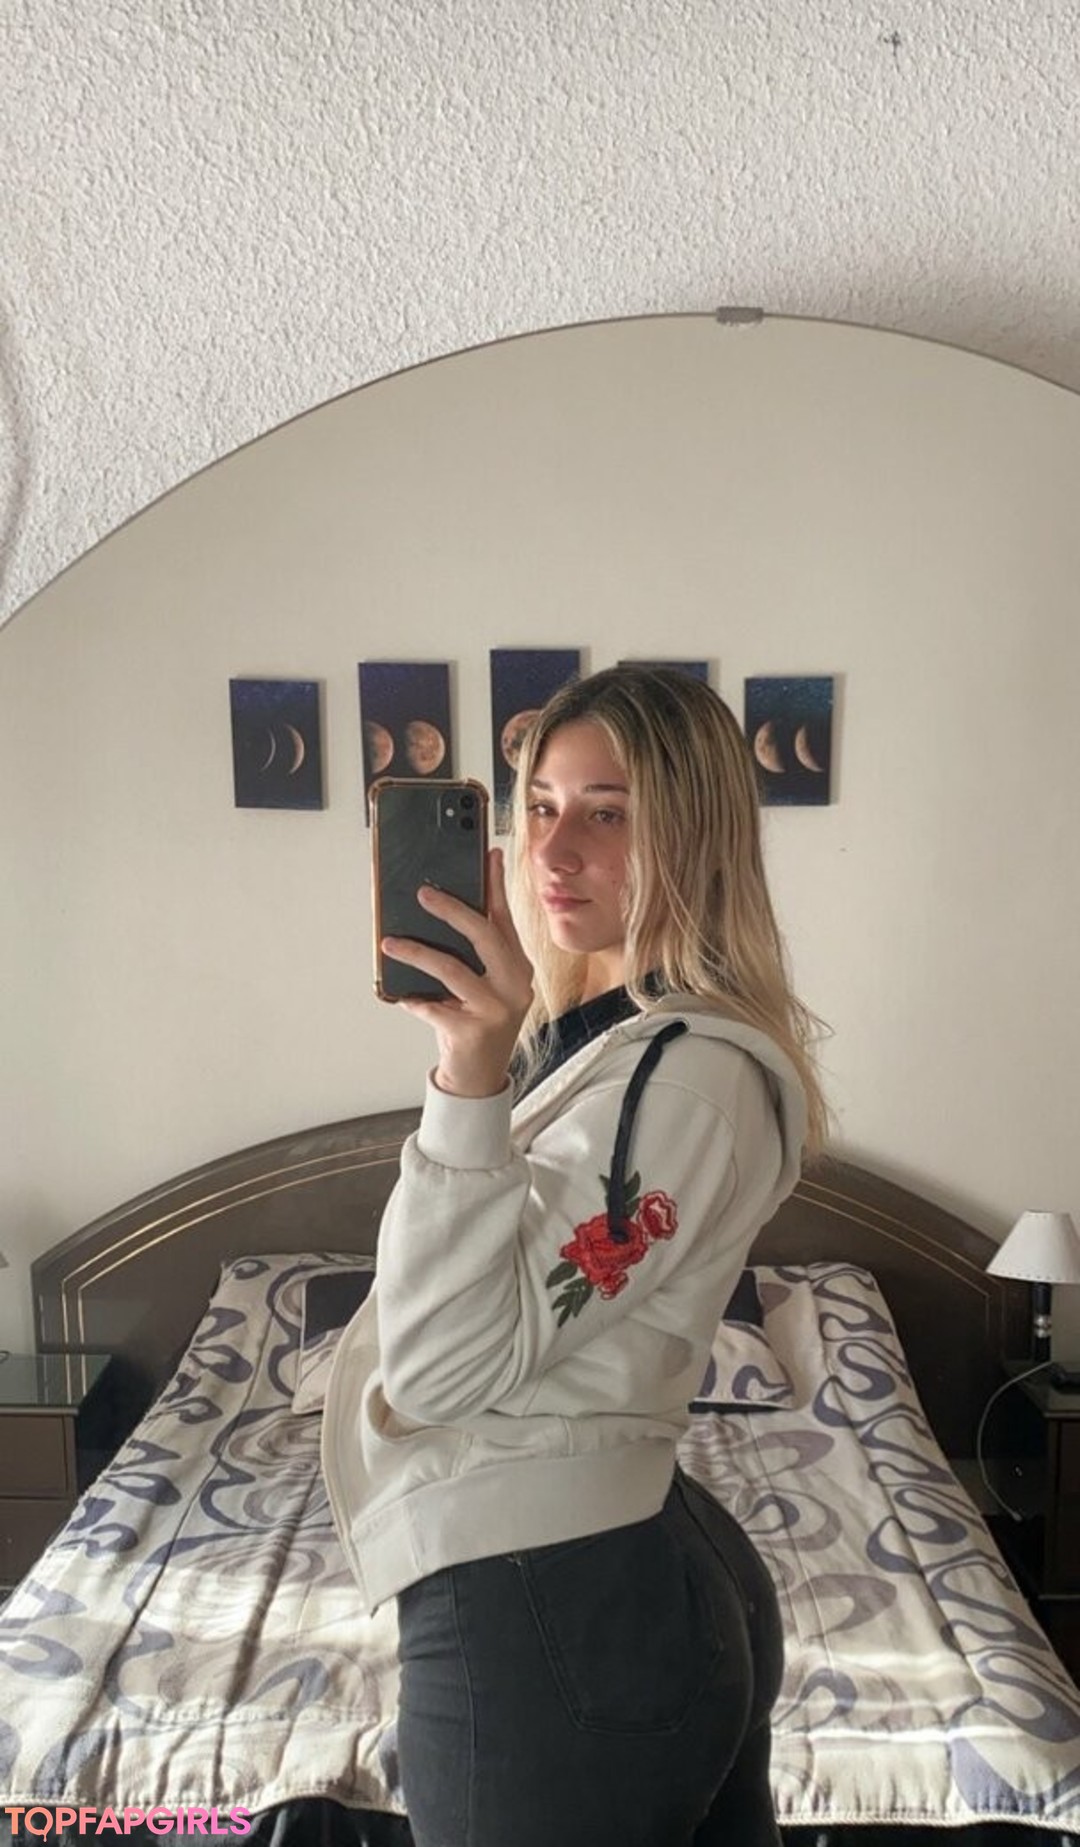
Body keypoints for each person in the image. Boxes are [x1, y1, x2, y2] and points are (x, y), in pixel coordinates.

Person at [322, 664, 829, 1847]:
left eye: (608, 812)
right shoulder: (594, 1043)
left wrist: (466, 1079)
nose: (554, 851)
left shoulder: (685, 1083)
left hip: (548, 1609)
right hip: (597, 1575)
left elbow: (440, 1370)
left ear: (692, 837)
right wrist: (490, 1058)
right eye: (541, 806)